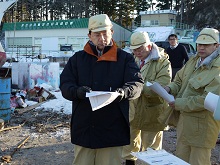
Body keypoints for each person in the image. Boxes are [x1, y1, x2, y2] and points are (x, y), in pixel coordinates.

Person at [59, 14, 144, 165]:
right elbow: (65, 85)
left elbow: (137, 83)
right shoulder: (78, 59)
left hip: (113, 128)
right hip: (85, 127)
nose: (102, 38)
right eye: (97, 34)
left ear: (112, 32)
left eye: (105, 33)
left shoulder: (124, 58)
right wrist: (77, 92)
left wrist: (123, 92)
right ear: (89, 35)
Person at [164, 28, 220, 165]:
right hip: (185, 123)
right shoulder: (193, 61)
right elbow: (178, 80)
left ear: (216, 46)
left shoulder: (218, 69)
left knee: (198, 161)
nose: (201, 47)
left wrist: (178, 103)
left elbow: (206, 100)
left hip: (203, 127)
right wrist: (168, 88)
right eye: (199, 44)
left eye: (206, 45)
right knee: (181, 160)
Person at [122, 31, 172, 165]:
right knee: (130, 141)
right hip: (133, 108)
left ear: (149, 46)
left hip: (153, 111)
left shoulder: (162, 62)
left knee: (151, 149)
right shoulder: (133, 60)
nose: (137, 52)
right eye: (134, 49)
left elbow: (162, 85)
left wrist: (134, 88)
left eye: (140, 48)